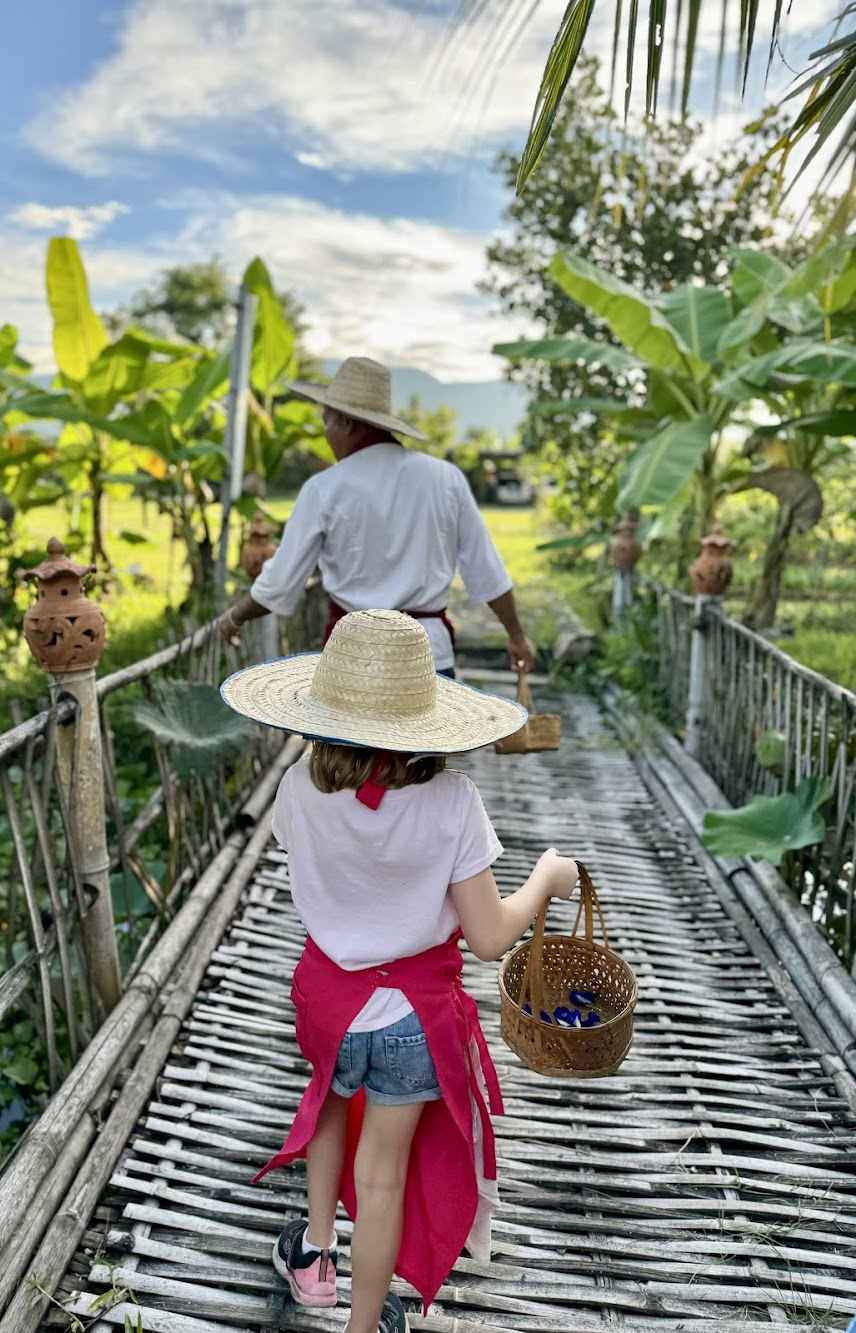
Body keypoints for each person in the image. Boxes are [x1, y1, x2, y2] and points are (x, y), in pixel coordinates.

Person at [221, 609, 578, 1333]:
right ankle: (361, 1326)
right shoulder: (452, 802)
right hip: (413, 1022)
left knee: (326, 1103)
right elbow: (487, 936)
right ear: (427, 720)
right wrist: (543, 880)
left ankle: (315, 1254)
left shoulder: (298, 787)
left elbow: (326, 866)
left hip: (328, 1002)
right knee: (379, 1176)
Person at [217, 356, 536, 677]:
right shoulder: (446, 478)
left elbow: (280, 582)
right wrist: (517, 638)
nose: (326, 435)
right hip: (426, 659)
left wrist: (235, 617)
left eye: (327, 422)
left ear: (347, 423)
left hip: (353, 658)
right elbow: (487, 572)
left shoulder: (324, 488)